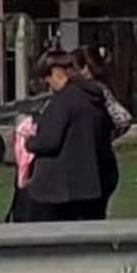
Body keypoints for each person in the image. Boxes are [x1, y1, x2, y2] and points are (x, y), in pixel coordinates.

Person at [18, 49, 115, 223]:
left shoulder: (63, 100)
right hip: (89, 186)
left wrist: (30, 141)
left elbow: (49, 141)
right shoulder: (94, 99)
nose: (48, 84)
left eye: (46, 78)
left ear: (55, 72)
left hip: (56, 190)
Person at [70, 46, 132, 219]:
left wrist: (100, 137)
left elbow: (123, 118)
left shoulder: (95, 92)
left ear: (85, 69)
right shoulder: (102, 88)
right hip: (103, 163)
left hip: (96, 166)